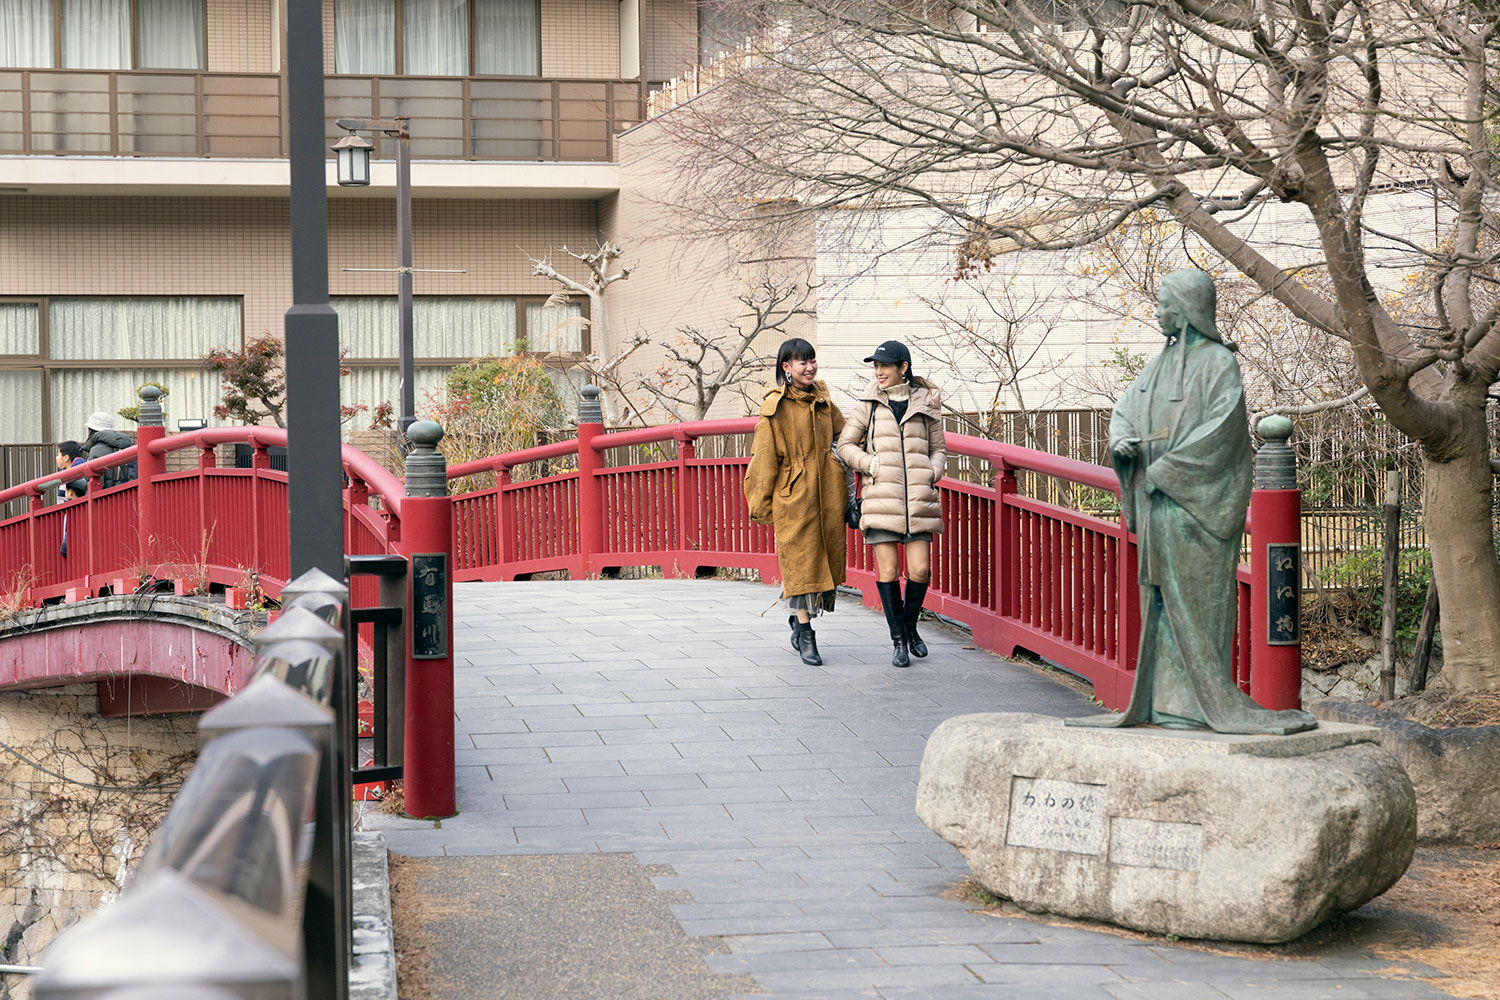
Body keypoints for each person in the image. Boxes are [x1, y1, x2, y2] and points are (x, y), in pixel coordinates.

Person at [1068, 269, 1316, 734]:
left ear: (1185, 311)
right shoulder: (1155, 367)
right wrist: (1122, 441)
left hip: (1194, 508)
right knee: (1159, 602)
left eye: (1164, 304)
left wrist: (1165, 471)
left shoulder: (1219, 363)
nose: (1158, 312)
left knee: (1197, 606)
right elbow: (1124, 411)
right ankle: (1165, 703)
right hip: (1157, 504)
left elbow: (1221, 432)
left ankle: (1203, 705)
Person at [837, 340, 946, 668]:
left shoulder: (926, 405)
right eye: (876, 366)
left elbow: (939, 448)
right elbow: (843, 444)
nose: (879, 372)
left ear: (903, 368)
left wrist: (932, 470)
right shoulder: (868, 404)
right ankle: (898, 640)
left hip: (917, 501)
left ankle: (910, 626)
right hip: (881, 499)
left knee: (920, 569)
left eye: (885, 366)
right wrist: (869, 464)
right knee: (888, 570)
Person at [744, 338, 848, 666]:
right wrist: (760, 504)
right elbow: (763, 460)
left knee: (821, 564)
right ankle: (806, 635)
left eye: (812, 360)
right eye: (802, 362)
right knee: (802, 564)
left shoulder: (824, 402)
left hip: (828, 495)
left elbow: (846, 436)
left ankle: (798, 620)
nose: (810, 366)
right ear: (786, 368)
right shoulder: (774, 409)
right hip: (795, 497)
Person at [82, 411, 136, 488]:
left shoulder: (96, 450)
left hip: (106, 498)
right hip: (127, 496)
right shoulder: (127, 447)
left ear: (91, 430)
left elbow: (95, 484)